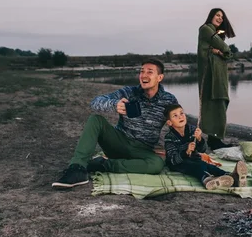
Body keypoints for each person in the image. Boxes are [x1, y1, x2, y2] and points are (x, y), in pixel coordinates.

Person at [52, 59, 178, 189]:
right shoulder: (129, 92)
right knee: (95, 119)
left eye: (149, 72)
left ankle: (103, 165)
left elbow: (179, 125)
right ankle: (77, 168)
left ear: (160, 77)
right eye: (142, 71)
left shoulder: (169, 100)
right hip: (118, 142)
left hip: (143, 149)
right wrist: (114, 104)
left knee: (156, 164)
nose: (144, 75)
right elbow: (96, 102)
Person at [163, 103, 248, 189]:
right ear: (169, 122)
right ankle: (207, 180)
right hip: (179, 163)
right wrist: (186, 152)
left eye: (181, 113)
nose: (180, 117)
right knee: (198, 166)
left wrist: (199, 139)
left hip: (194, 159)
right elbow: (172, 160)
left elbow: (203, 149)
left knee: (210, 167)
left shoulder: (192, 130)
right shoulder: (169, 138)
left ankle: (232, 177)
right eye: (175, 116)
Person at [197, 8, 236, 150]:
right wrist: (218, 50)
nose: (220, 18)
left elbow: (227, 54)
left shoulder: (217, 34)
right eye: (217, 15)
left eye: (222, 16)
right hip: (210, 74)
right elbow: (225, 48)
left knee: (222, 101)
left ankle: (215, 138)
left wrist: (219, 51)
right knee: (213, 103)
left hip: (220, 73)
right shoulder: (206, 29)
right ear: (211, 16)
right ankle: (213, 139)